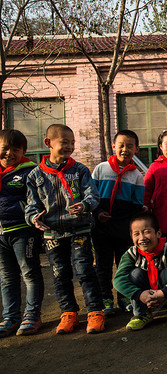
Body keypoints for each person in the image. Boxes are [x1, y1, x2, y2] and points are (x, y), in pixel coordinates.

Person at [25, 124, 105, 334]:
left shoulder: (79, 170)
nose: (69, 146)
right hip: (52, 233)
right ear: (48, 143)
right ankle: (68, 313)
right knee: (60, 274)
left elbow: (93, 195)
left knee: (85, 270)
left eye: (72, 143)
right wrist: (34, 218)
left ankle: (95, 311)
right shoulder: (35, 176)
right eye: (64, 142)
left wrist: (85, 205)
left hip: (79, 229)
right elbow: (31, 205)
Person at [92, 130, 144, 315]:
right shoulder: (101, 169)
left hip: (123, 228)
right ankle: (105, 298)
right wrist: (98, 213)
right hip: (101, 227)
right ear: (113, 146)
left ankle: (124, 297)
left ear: (136, 149)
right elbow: (92, 196)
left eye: (130, 146)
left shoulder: (137, 176)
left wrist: (129, 225)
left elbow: (137, 205)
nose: (125, 149)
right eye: (121, 145)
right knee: (103, 264)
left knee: (124, 264)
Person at [113, 212, 167, 330]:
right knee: (134, 274)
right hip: (144, 294)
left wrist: (163, 293)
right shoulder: (131, 254)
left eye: (147, 232)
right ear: (131, 237)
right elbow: (118, 280)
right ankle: (141, 313)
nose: (142, 238)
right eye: (136, 234)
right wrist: (140, 295)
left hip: (165, 291)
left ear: (158, 233)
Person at [0, 129, 44, 337]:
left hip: (22, 231)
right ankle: (10, 317)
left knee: (29, 273)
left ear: (24, 151)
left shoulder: (29, 172)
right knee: (7, 277)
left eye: (15, 150)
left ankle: (32, 315)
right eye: (4, 149)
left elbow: (36, 200)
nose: (9, 154)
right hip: (0, 234)